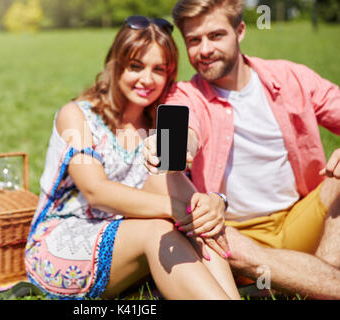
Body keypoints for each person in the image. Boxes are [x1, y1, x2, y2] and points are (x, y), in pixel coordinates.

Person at [25, 15, 241, 300]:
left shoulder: (160, 122)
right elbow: (96, 191)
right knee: (160, 227)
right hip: (64, 239)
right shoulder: (77, 115)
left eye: (159, 69)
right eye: (136, 67)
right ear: (116, 65)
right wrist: (175, 209)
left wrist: (208, 205)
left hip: (128, 234)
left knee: (195, 218)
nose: (147, 79)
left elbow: (176, 185)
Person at [143, 0, 340, 299]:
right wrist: (171, 146)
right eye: (194, 40)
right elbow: (180, 132)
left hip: (299, 219)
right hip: (233, 236)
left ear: (240, 30)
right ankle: (315, 282)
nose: (205, 49)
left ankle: (303, 282)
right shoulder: (184, 95)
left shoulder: (290, 78)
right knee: (215, 240)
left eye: (216, 35)